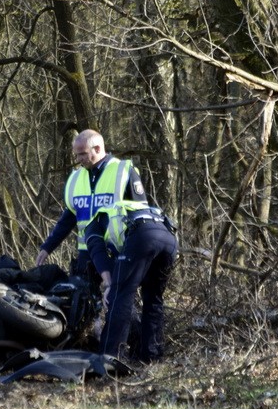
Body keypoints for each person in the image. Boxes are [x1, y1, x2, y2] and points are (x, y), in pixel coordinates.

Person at [35, 129, 146, 282]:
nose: (78, 159)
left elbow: (142, 218)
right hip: (86, 254)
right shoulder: (75, 178)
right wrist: (47, 247)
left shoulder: (123, 172)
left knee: (115, 302)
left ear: (98, 149)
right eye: (76, 155)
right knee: (82, 302)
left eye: (82, 154)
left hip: (116, 252)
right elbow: (68, 218)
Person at [84, 199, 177, 363]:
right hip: (169, 238)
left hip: (142, 234)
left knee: (121, 295)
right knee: (153, 298)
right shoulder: (123, 210)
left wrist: (109, 284)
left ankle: (109, 358)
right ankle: (151, 357)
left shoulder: (93, 224)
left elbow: (98, 253)